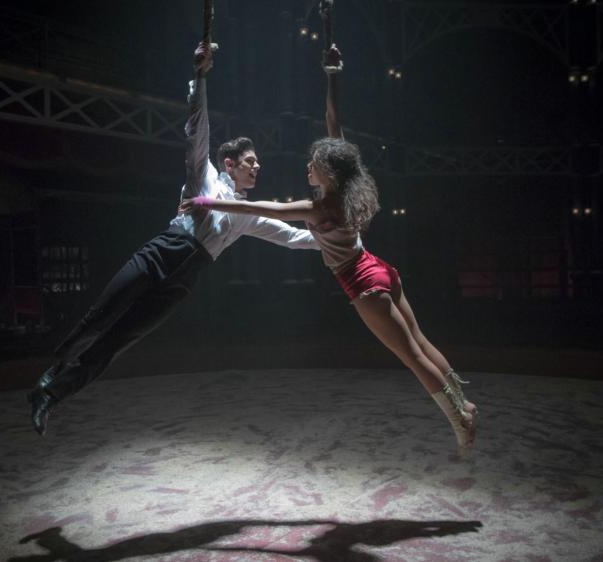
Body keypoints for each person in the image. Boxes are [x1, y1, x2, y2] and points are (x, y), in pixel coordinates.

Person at [181, 45, 478, 453]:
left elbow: (262, 208)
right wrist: (332, 73)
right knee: (422, 342)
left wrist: (206, 201)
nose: (308, 165)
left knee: (412, 356)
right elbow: (333, 122)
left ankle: (460, 421)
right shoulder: (346, 186)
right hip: (381, 269)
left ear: (326, 170)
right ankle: (465, 403)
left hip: (364, 284)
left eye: (313, 162)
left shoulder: (318, 206)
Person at [27, 42, 320, 436]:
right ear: (230, 164)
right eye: (251, 162)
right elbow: (198, 129)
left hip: (184, 279)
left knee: (115, 343)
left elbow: (293, 237)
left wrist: (334, 240)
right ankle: (52, 371)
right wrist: (200, 76)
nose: (257, 167)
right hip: (162, 253)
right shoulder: (205, 176)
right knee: (99, 318)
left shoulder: (248, 214)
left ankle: (50, 396)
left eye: (258, 163)